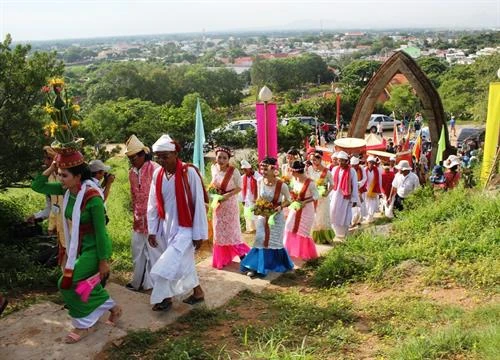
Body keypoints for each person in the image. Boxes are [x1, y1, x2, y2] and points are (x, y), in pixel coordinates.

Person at [31, 149, 121, 344]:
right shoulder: (67, 191)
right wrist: (52, 167)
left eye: (64, 175)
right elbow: (37, 186)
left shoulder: (93, 198)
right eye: (60, 175)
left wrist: (103, 262)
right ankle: (113, 308)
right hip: (78, 245)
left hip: (96, 249)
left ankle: (83, 325)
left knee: (66, 284)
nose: (61, 179)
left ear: (78, 176)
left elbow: (101, 232)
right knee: (82, 285)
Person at [147, 134, 208, 311]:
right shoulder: (158, 174)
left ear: (175, 154)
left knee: (166, 265)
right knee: (182, 263)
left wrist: (198, 234)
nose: (162, 161)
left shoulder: (189, 172)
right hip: (166, 228)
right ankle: (198, 293)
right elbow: (152, 204)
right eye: (158, 157)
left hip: (186, 229)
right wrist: (152, 230)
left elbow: (198, 204)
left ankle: (163, 298)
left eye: (165, 156)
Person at [240, 157, 293, 278]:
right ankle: (255, 267)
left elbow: (288, 201)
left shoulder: (282, 185)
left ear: (273, 169)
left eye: (265, 169)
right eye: (262, 168)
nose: (263, 171)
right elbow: (259, 197)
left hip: (276, 218)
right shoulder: (260, 181)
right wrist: (258, 207)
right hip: (263, 216)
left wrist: (279, 207)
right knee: (260, 239)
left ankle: (273, 264)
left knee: (274, 241)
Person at [125, 135, 160, 292]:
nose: (132, 160)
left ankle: (151, 283)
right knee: (137, 251)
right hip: (138, 220)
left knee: (154, 252)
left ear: (142, 154)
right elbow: (134, 195)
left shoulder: (155, 168)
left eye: (134, 157)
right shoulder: (131, 173)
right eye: (130, 158)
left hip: (154, 219)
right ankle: (136, 282)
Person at [210, 146, 250, 269]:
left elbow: (239, 187)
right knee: (218, 232)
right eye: (219, 157)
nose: (221, 160)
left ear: (228, 159)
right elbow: (213, 183)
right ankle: (222, 259)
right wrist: (213, 193)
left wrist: (227, 195)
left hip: (230, 204)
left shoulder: (234, 171)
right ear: (216, 157)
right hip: (218, 205)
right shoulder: (213, 168)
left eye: (224, 158)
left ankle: (245, 258)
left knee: (232, 232)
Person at [27, 146, 67, 267]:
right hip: (58, 229)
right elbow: (50, 207)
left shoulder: (66, 179)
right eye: (45, 159)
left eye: (49, 159)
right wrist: (36, 216)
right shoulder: (48, 178)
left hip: (69, 227)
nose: (46, 162)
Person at [284, 161, 319, 260]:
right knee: (289, 226)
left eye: (292, 171)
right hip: (295, 208)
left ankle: (304, 253)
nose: (291, 173)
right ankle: (289, 251)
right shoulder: (295, 180)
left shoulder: (310, 183)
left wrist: (305, 202)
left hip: (307, 210)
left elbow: (316, 196)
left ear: (296, 172)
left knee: (303, 231)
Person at [329, 151, 358, 242]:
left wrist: (354, 199)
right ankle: (335, 232)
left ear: (347, 161)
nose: (340, 163)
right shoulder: (335, 169)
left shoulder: (352, 171)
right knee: (333, 211)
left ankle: (343, 233)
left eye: (342, 161)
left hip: (346, 196)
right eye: (339, 160)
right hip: (335, 195)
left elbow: (354, 185)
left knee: (344, 214)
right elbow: (331, 183)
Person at [307, 150, 334, 244]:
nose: (313, 162)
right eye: (311, 160)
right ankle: (314, 238)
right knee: (314, 217)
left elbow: (332, 184)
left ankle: (325, 238)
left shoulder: (327, 171)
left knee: (323, 216)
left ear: (320, 159)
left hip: (323, 198)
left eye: (314, 160)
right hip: (312, 197)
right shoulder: (309, 169)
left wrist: (327, 192)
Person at [240, 159, 262, 234]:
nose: (244, 171)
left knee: (256, 214)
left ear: (250, 168)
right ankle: (250, 228)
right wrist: (242, 199)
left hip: (255, 198)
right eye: (243, 170)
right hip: (247, 198)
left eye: (245, 169)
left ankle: (257, 228)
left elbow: (261, 184)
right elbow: (241, 189)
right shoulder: (243, 178)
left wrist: (258, 198)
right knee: (247, 214)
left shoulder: (257, 176)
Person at [363, 155, 383, 223]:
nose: (371, 164)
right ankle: (368, 216)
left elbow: (379, 180)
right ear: (367, 163)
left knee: (372, 203)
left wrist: (380, 192)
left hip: (374, 189)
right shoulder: (364, 170)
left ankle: (370, 216)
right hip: (366, 190)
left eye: (372, 162)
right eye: (370, 162)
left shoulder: (376, 170)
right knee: (367, 203)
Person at [350, 156, 366, 226]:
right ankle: (352, 221)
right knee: (353, 205)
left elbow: (365, 178)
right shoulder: (349, 169)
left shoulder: (361, 168)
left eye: (355, 165)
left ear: (358, 164)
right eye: (352, 165)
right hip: (351, 190)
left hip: (360, 189)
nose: (354, 167)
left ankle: (359, 220)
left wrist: (359, 184)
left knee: (360, 205)